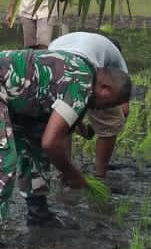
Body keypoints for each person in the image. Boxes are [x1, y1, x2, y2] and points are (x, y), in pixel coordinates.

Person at [0, 49, 132, 242]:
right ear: (105, 88)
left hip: (15, 95)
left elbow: (57, 117)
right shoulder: (82, 84)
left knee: (35, 146)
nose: (103, 108)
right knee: (2, 158)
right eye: (109, 104)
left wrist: (81, 128)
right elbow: (52, 143)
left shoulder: (85, 73)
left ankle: (38, 213)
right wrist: (72, 173)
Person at [48, 31, 131, 178]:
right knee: (110, 122)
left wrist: (81, 126)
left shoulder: (85, 41)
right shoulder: (117, 59)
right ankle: (99, 176)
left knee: (62, 122)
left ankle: (65, 173)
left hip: (51, 66)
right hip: (80, 66)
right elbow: (124, 108)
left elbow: (69, 105)